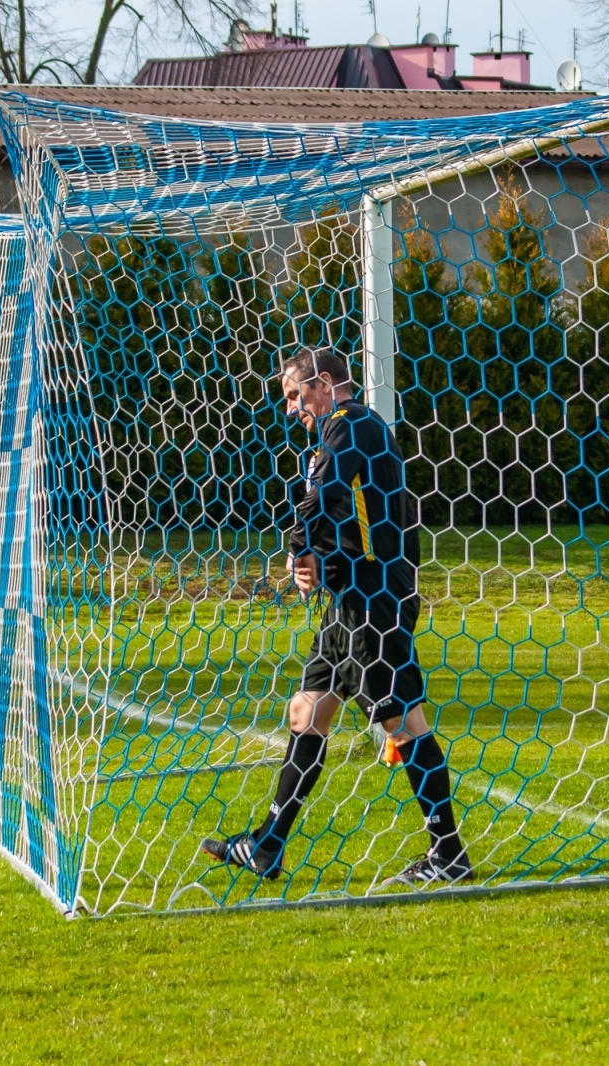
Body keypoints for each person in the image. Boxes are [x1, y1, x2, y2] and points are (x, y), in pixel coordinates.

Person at [201, 347, 472, 886]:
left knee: (404, 724)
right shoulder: (350, 432)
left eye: (294, 395)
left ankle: (449, 855)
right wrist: (320, 559)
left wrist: (299, 548)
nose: (290, 409)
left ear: (323, 384)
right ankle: (268, 845)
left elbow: (322, 496)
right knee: (307, 709)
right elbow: (349, 510)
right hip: (348, 601)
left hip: (372, 604)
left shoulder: (350, 424)